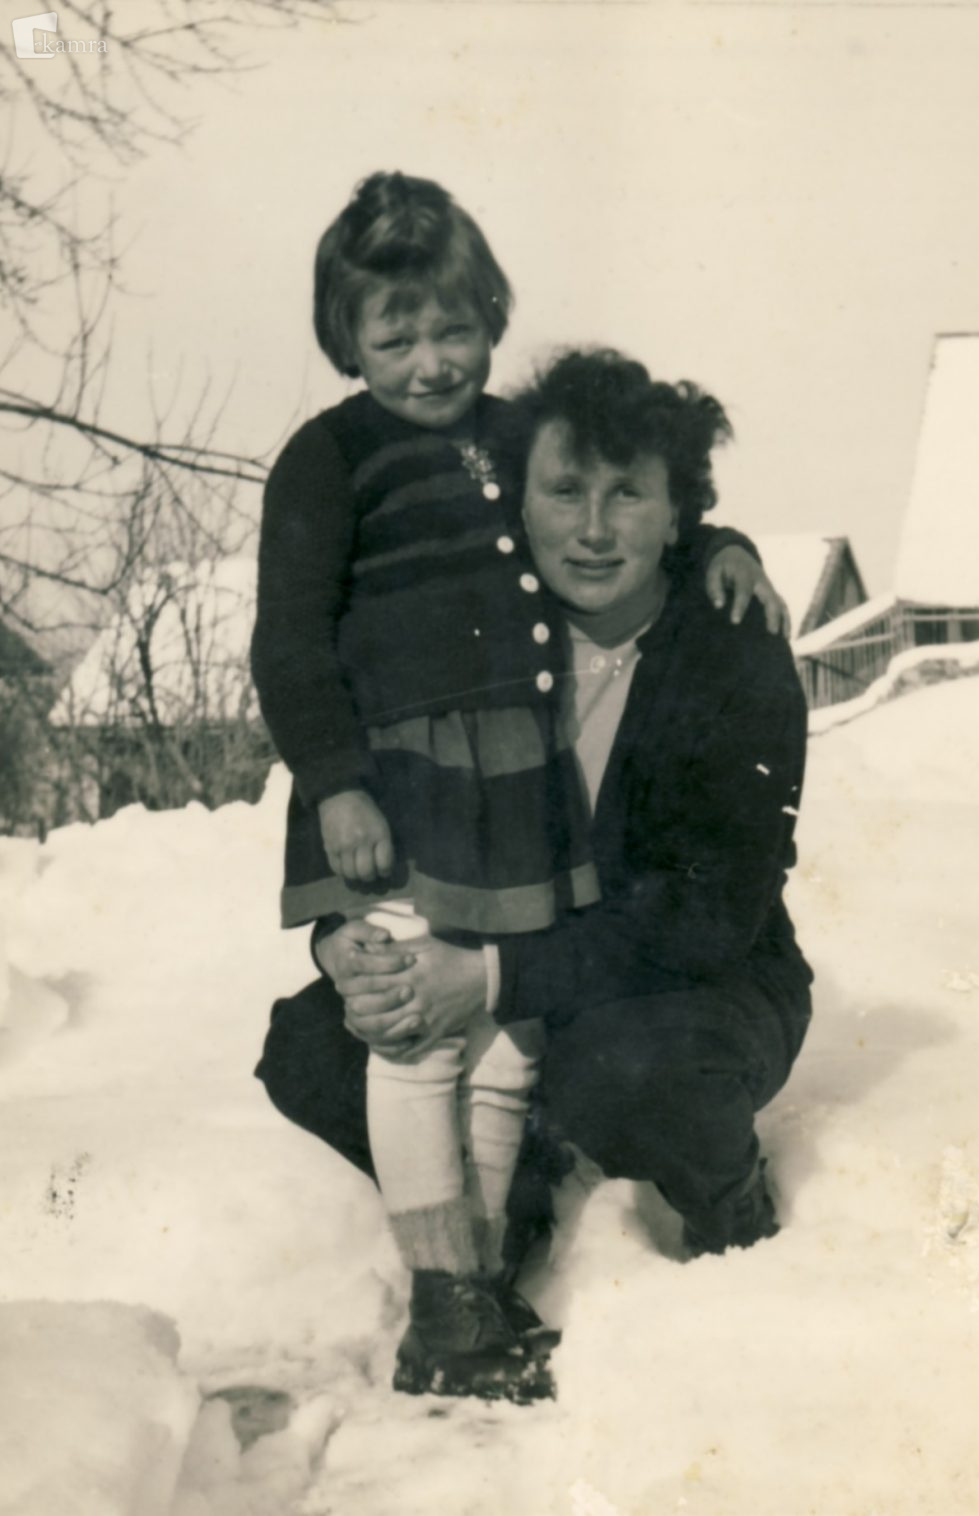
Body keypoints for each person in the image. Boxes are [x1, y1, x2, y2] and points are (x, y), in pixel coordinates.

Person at [251, 173, 789, 1402]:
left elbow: (631, 486)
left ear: (491, 318)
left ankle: (485, 1275)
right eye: (396, 338)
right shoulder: (329, 458)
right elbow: (290, 642)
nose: (431, 362)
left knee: (502, 1046)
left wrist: (727, 543)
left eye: (454, 330)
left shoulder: (514, 438)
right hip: (401, 787)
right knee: (406, 1030)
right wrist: (335, 793)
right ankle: (446, 1300)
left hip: (515, 803)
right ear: (346, 339)